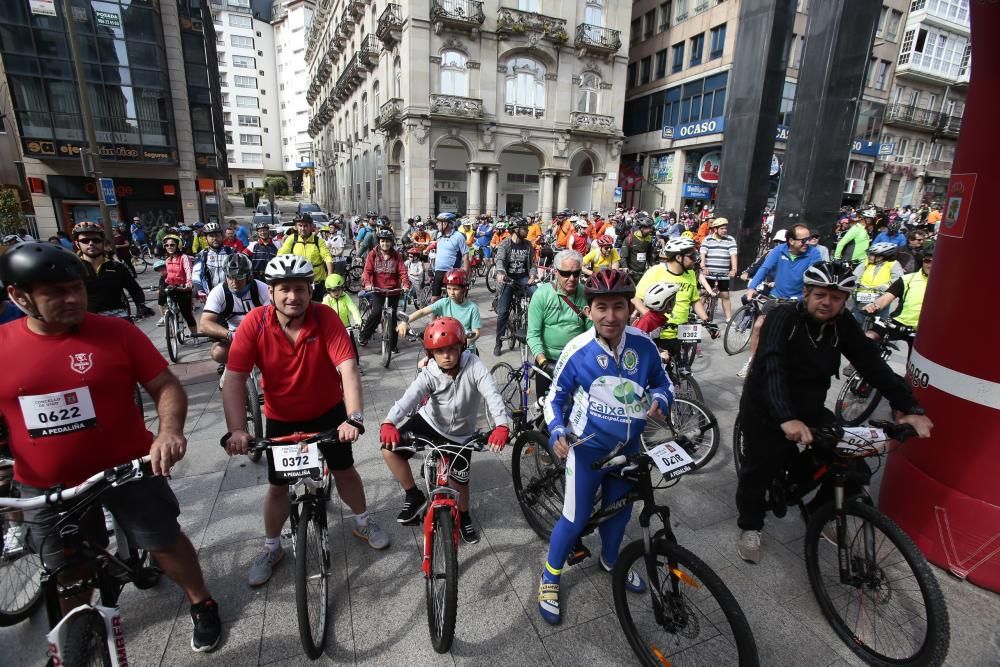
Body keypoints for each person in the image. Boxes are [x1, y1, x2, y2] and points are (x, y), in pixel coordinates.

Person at [0, 242, 222, 651]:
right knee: (68, 570)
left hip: (126, 467)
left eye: (76, 289)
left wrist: (169, 432)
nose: (72, 299)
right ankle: (77, 637)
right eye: (56, 293)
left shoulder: (116, 332)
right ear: (19, 296)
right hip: (46, 485)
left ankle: (200, 601)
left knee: (164, 541)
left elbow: (165, 385)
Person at [735, 261, 933, 563]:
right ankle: (750, 525)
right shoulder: (782, 318)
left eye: (837, 297)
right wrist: (786, 417)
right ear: (806, 293)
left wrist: (908, 407)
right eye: (820, 295)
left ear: (844, 300)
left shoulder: (841, 325)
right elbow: (773, 366)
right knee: (758, 469)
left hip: (809, 407)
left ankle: (820, 512)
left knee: (852, 462)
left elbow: (872, 364)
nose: (827, 302)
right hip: (766, 405)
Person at [221, 254, 389, 587]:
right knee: (278, 486)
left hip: (329, 413)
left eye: (300, 288)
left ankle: (363, 520)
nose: (292, 297)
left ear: (310, 289)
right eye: (284, 289)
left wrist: (353, 418)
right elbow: (235, 378)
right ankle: (271, 547)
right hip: (281, 419)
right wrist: (237, 430)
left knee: (344, 470)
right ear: (271, 291)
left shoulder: (325, 317)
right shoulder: (254, 323)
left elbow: (348, 368)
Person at [536, 269, 674, 625]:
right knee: (576, 516)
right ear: (589, 309)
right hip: (588, 451)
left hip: (630, 448)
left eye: (618, 307)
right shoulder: (577, 350)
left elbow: (664, 382)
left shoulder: (643, 344)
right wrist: (555, 430)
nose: (610, 316)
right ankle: (550, 576)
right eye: (601, 307)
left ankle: (612, 561)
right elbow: (555, 398)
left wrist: (661, 397)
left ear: (630, 308)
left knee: (620, 511)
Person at [379, 317, 509, 542]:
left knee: (461, 483)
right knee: (389, 450)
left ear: (462, 347)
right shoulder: (430, 371)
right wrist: (389, 421)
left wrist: (502, 424)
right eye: (439, 351)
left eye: (452, 349)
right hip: (429, 422)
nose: (446, 355)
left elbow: (492, 394)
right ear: (431, 354)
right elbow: (410, 397)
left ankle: (465, 516)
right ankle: (413, 495)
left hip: (461, 434)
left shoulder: (474, 365)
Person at [738, 224, 822, 377]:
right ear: (791, 240)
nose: (807, 243)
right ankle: (753, 362)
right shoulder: (779, 250)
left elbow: (814, 280)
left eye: (809, 239)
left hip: (798, 300)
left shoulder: (814, 255)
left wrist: (804, 298)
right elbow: (764, 269)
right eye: (803, 240)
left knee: (796, 335)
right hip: (776, 297)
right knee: (758, 326)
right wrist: (752, 287)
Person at [633, 238, 716, 358]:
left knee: (680, 370)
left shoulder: (691, 274)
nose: (696, 259)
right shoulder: (656, 271)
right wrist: (651, 320)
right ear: (678, 258)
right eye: (692, 256)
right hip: (659, 334)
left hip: (681, 332)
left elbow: (694, 301)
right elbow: (636, 299)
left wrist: (707, 322)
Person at [526, 249, 592, 399]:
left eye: (576, 273)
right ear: (555, 272)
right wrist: (543, 363)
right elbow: (533, 335)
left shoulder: (586, 294)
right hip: (548, 361)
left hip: (577, 361)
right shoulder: (542, 295)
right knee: (545, 410)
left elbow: (591, 333)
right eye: (566, 273)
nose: (572, 278)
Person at [199, 254, 270, 364]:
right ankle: (231, 365)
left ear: (249, 276)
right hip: (233, 335)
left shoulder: (262, 288)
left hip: (260, 333)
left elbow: (275, 317)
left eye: (239, 277)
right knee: (218, 352)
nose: (234, 282)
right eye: (230, 277)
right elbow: (204, 324)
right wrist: (230, 334)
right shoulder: (218, 292)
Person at [72, 221, 151, 318]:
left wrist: (141, 305)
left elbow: (134, 288)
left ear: (102, 242)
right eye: (85, 241)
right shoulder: (72, 268)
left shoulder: (116, 267)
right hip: (87, 319)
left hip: (118, 317)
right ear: (77, 244)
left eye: (96, 240)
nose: (91, 243)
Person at [863, 241, 933, 344]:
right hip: (897, 323)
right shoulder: (908, 279)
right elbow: (886, 298)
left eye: (935, 262)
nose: (930, 265)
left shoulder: (946, 285)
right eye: (927, 261)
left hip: (924, 331)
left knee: (916, 359)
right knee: (866, 339)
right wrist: (874, 306)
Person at [398, 269, 482, 354]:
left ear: (464, 289)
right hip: (446, 347)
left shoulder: (472, 308)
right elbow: (422, 312)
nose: (451, 292)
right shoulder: (444, 302)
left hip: (466, 350)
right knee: (422, 365)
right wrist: (405, 321)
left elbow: (476, 332)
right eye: (449, 288)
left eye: (455, 289)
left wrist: (465, 342)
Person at [493, 217, 537, 356]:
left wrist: (532, 276)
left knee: (537, 295)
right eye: (524, 228)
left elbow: (533, 265)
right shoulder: (505, 244)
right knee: (503, 312)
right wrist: (500, 272)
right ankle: (498, 342)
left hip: (524, 279)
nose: (527, 230)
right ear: (516, 230)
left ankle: (536, 331)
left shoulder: (528, 245)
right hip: (508, 280)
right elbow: (499, 259)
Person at [359, 229, 409, 349]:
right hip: (378, 290)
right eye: (382, 241)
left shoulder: (397, 256)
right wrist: (367, 284)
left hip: (393, 291)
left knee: (392, 318)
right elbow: (367, 271)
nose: (384, 244)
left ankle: (392, 346)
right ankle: (364, 335)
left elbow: (403, 271)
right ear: (379, 242)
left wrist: (406, 285)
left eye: (387, 241)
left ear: (391, 242)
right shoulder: (373, 254)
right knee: (376, 313)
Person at [278, 214, 335, 302]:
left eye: (306, 226)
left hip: (317, 281)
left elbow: (327, 257)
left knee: (316, 307)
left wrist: (330, 275)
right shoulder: (292, 239)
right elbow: (281, 254)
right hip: (298, 281)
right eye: (300, 225)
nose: (303, 228)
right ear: (296, 227)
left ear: (311, 227)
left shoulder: (318, 241)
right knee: (300, 307)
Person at [850, 241, 905, 325]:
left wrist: (886, 286)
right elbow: (855, 276)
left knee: (880, 321)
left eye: (872, 254)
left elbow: (898, 278)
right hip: (861, 295)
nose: (869, 256)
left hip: (880, 296)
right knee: (856, 320)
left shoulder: (893, 264)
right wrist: (856, 284)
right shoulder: (866, 263)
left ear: (881, 256)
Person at [699, 217, 738, 321]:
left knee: (725, 295)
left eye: (725, 228)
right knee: (703, 293)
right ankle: (698, 315)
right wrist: (703, 267)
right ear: (715, 229)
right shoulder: (707, 239)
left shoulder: (730, 239)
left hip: (723, 273)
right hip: (708, 272)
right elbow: (703, 254)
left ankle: (729, 319)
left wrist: (734, 269)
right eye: (722, 228)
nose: (724, 230)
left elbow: (733, 255)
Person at [160, 234, 198, 332]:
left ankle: (194, 336)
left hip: (183, 288)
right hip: (172, 287)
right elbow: (168, 275)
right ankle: (169, 322)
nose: (169, 247)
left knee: (187, 313)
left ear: (178, 245)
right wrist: (164, 284)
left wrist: (189, 284)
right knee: (162, 298)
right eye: (167, 245)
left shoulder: (184, 258)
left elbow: (189, 271)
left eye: (172, 245)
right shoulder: (168, 260)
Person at [430, 212, 469, 298]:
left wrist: (465, 272)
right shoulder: (439, 235)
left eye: (440, 222)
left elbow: (465, 255)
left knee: (452, 299)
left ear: (447, 224)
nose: (437, 224)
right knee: (434, 299)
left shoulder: (459, 236)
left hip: (451, 271)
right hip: (439, 270)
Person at [193, 222, 235, 302]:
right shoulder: (202, 255)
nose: (214, 238)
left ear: (222, 237)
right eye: (211, 236)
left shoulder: (231, 251)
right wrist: (199, 289)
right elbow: (196, 274)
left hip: (231, 294)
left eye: (217, 235)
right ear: (206, 238)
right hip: (210, 295)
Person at [619, 217, 655, 282]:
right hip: (631, 273)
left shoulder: (649, 239)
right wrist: (625, 267)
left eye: (651, 228)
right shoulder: (629, 239)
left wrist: (653, 266)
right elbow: (623, 256)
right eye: (649, 228)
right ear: (642, 228)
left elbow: (649, 255)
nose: (651, 230)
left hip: (643, 273)